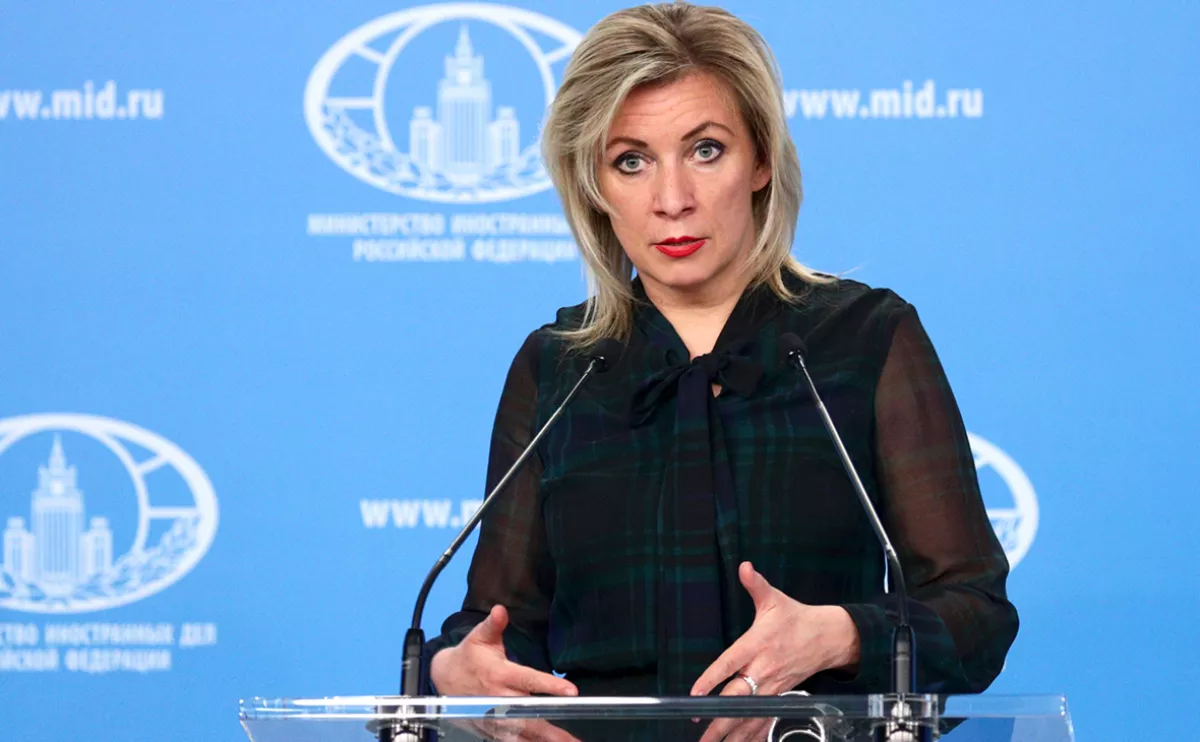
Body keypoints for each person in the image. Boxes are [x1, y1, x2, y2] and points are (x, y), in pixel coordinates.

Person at [425, 0, 1018, 712]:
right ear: (593, 186)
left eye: (705, 150)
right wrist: (456, 668)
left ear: (761, 160)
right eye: (631, 161)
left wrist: (841, 635)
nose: (672, 199)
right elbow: (495, 628)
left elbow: (976, 616)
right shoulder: (558, 367)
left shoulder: (865, 339)